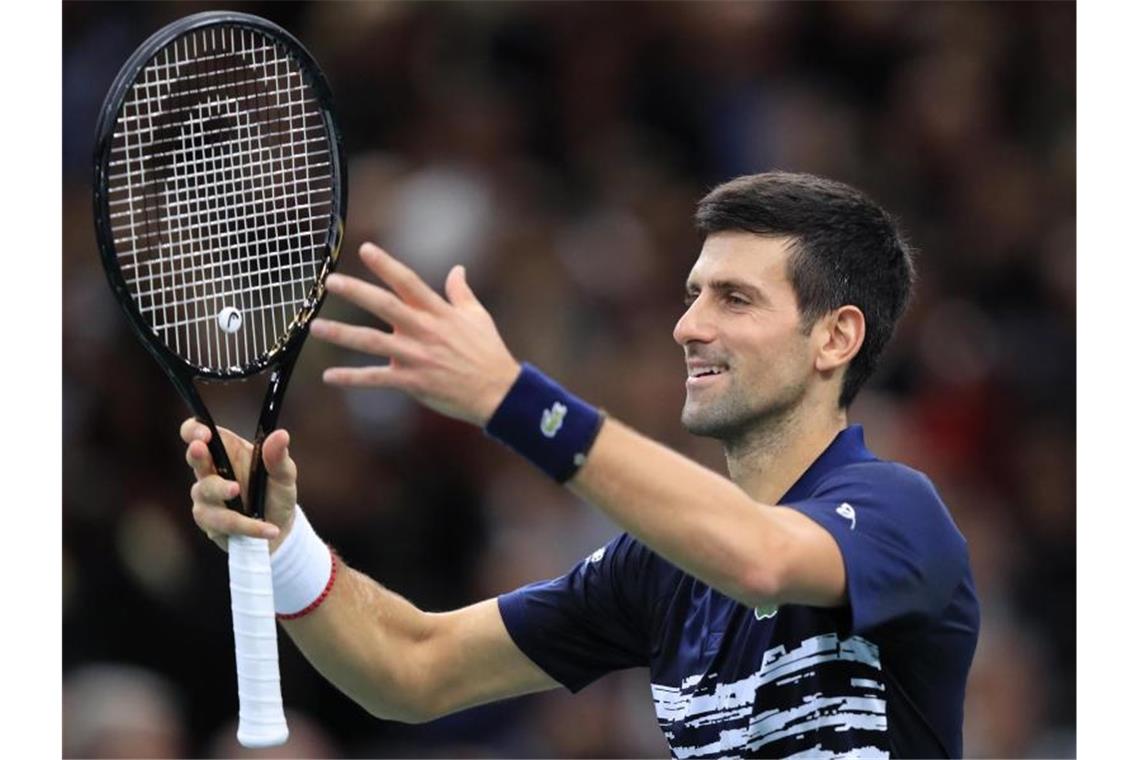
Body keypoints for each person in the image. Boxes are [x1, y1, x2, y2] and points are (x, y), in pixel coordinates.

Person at [183, 172, 979, 758]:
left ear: (835, 338)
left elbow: (762, 559)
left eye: (734, 299)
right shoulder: (657, 569)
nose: (688, 326)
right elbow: (412, 668)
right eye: (693, 293)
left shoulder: (896, 512)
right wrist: (285, 539)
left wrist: (512, 398)